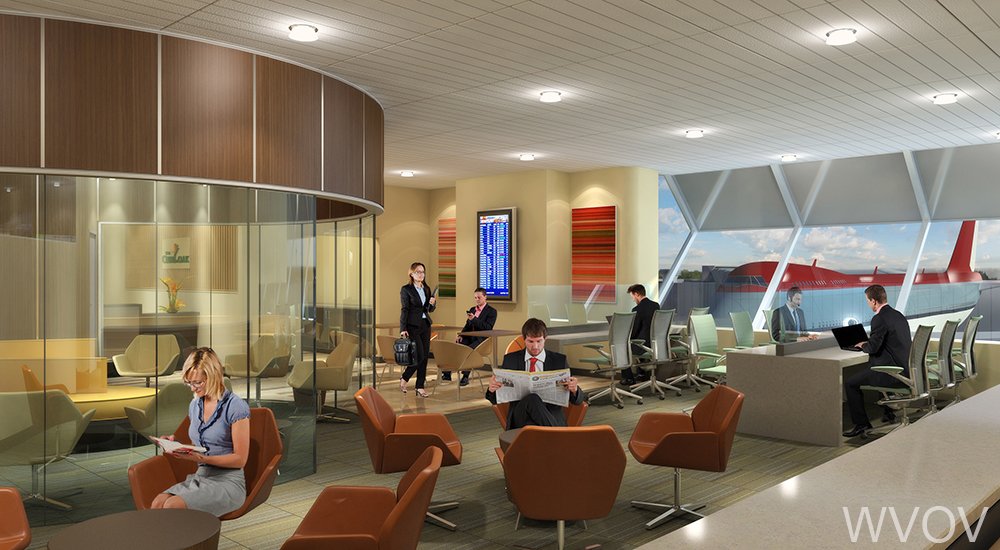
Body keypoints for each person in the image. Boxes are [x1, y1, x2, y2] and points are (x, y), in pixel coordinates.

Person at [151, 347, 250, 516]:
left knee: (173, 505)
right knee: (158, 502)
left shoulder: (235, 406)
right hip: (201, 476)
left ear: (214, 377)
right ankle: (171, 542)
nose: (192, 388)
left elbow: (240, 459)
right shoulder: (195, 405)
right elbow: (199, 443)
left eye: (197, 382)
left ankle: (189, 542)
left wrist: (203, 458)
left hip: (228, 482)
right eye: (189, 383)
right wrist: (173, 443)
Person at [486, 318, 586, 429]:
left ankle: (551, 432)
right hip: (521, 416)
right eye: (531, 341)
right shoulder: (511, 360)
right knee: (532, 398)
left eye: (539, 341)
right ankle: (557, 434)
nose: (535, 346)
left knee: (533, 418)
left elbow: (577, 401)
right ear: (524, 339)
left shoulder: (559, 360)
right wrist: (491, 389)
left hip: (550, 414)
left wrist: (575, 390)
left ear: (545, 339)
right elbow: (496, 399)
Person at [842, 285, 912, 438]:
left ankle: (862, 424)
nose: (868, 304)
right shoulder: (898, 315)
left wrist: (864, 345)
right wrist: (870, 343)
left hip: (892, 374)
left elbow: (873, 348)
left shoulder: (879, 318)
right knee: (871, 367)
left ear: (874, 301)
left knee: (850, 383)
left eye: (867, 300)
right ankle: (888, 412)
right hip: (905, 369)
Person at [443, 287, 497, 387]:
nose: (477, 300)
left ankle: (465, 376)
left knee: (468, 350)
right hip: (469, 337)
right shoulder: (473, 309)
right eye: (475, 298)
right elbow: (467, 325)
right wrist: (461, 335)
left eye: (479, 297)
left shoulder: (492, 311)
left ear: (485, 297)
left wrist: (474, 319)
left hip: (482, 340)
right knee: (457, 346)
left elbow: (488, 327)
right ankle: (448, 372)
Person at [399, 261, 436, 398]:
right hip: (412, 326)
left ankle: (420, 386)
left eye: (422, 272)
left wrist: (433, 304)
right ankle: (405, 378)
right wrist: (403, 328)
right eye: (418, 272)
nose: (421, 274)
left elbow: (428, 310)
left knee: (425, 356)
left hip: (425, 324)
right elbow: (405, 309)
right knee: (418, 355)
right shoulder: (406, 289)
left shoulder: (426, 288)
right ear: (411, 274)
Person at [622, 283, 659, 385]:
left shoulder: (637, 310)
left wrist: (626, 336)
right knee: (639, 341)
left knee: (622, 346)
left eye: (633, 297)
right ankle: (641, 373)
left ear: (637, 294)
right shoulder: (656, 305)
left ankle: (628, 378)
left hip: (643, 345)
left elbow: (634, 331)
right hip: (655, 344)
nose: (633, 300)